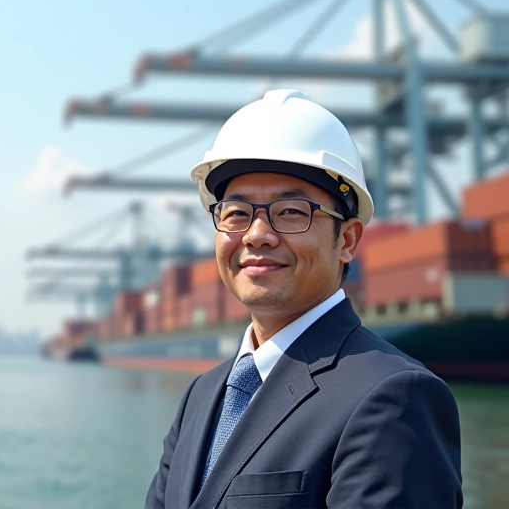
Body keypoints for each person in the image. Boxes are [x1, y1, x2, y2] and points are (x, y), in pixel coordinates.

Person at [143, 89, 462, 508]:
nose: (257, 235)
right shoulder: (200, 396)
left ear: (347, 240)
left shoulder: (396, 396)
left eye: (292, 211)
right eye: (236, 213)